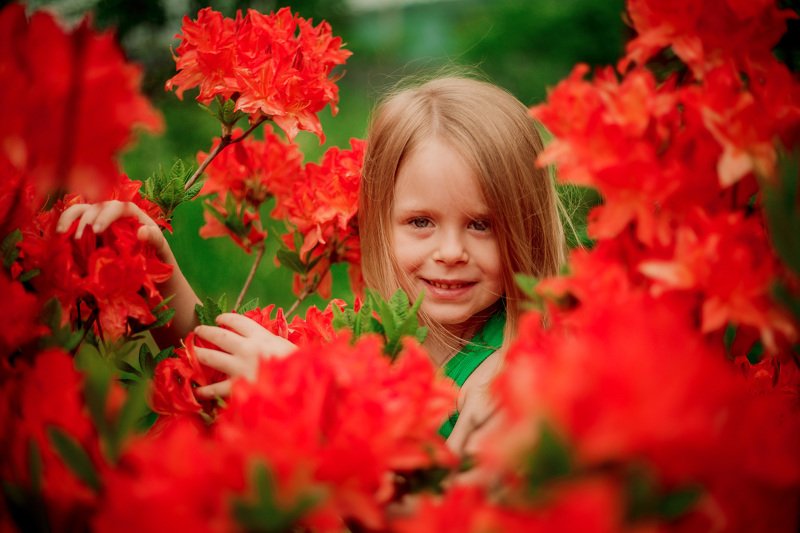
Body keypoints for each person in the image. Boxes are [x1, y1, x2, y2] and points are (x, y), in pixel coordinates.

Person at [57, 76, 566, 454]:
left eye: (481, 225)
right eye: (421, 223)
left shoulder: (508, 381)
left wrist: (306, 394)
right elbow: (224, 358)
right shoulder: (377, 333)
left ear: (527, 228)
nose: (450, 251)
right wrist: (155, 271)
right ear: (376, 221)